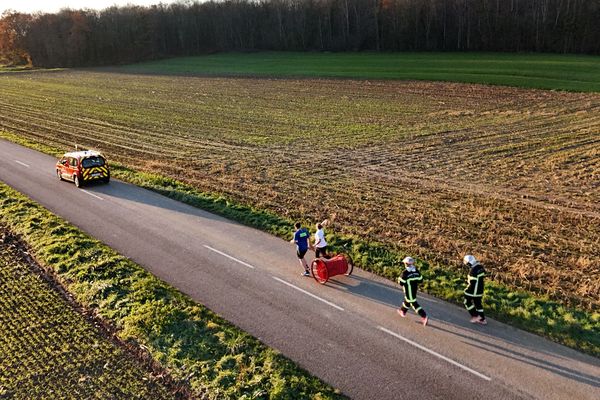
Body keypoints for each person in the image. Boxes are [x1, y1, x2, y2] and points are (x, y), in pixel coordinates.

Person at [397, 256, 428, 326]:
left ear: (406, 264)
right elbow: (421, 280)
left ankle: (424, 316)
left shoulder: (405, 273)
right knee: (408, 300)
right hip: (414, 289)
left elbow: (400, 282)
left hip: (408, 290)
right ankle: (403, 311)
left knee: (413, 303)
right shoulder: (416, 271)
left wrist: (405, 281)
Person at [463, 254, 487, 325]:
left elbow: (472, 283)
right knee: (478, 303)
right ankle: (482, 319)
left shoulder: (473, 271)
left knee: (467, 302)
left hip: (474, 291)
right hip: (480, 289)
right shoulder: (480, 267)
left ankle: (475, 316)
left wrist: (466, 291)